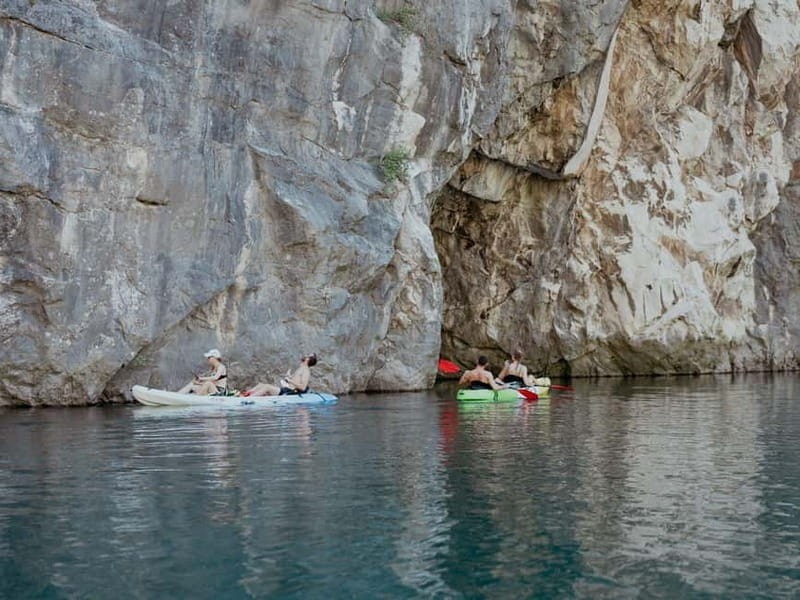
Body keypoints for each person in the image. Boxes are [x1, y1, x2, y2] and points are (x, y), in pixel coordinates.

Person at [244, 353, 317, 397]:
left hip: (290, 392)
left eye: (307, 355)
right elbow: (294, 381)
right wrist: (289, 377)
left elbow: (303, 388)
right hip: (287, 389)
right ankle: (245, 395)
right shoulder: (301, 368)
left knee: (267, 387)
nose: (305, 355)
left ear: (308, 359)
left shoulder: (306, 371)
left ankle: (249, 399)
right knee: (260, 384)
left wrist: (290, 381)